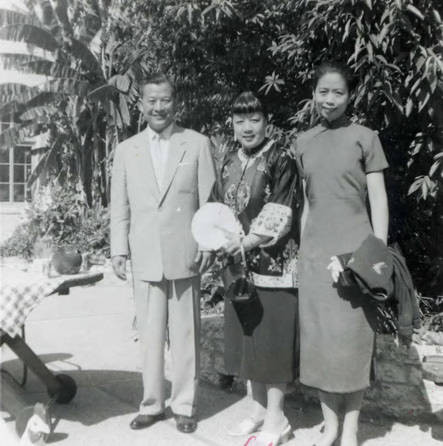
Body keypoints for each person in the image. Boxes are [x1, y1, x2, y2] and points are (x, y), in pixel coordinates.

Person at [110, 72, 215, 434]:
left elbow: (208, 201)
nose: (158, 106)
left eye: (165, 99)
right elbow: (119, 205)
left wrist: (206, 243)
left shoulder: (197, 144)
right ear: (141, 104)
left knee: (186, 335)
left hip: (185, 253)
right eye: (151, 100)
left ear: (176, 102)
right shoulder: (126, 150)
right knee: (150, 336)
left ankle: (184, 405)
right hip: (145, 256)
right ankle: (152, 404)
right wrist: (118, 249)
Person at [295, 61, 389, 446]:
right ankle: (329, 424)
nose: (329, 99)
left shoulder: (365, 138)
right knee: (319, 342)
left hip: (357, 253)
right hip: (316, 254)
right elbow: (306, 203)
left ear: (350, 96)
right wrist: (303, 253)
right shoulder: (302, 142)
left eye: (338, 92)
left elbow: (379, 200)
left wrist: (375, 255)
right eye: (323, 91)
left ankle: (350, 429)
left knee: (352, 342)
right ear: (314, 94)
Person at [211, 91, 301, 445]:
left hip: (275, 265)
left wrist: (246, 242)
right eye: (239, 120)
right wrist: (217, 240)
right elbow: (216, 208)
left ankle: (278, 420)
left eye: (254, 119)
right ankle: (257, 411)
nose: (247, 127)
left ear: (267, 122)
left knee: (272, 342)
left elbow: (281, 211)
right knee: (249, 340)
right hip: (237, 268)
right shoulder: (227, 160)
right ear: (232, 125)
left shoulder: (282, 159)